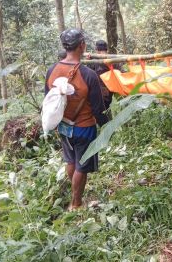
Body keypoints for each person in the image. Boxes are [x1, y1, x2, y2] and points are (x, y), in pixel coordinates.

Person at [45, 29, 108, 210]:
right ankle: (76, 203)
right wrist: (108, 126)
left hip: (63, 126)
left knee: (71, 160)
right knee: (82, 166)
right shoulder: (88, 75)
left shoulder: (52, 70)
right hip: (84, 127)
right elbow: (98, 108)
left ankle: (75, 198)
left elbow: (49, 100)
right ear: (82, 45)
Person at [87, 39, 118, 111]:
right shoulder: (114, 60)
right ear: (106, 49)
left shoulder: (94, 60)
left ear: (96, 49)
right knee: (105, 111)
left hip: (99, 93)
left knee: (100, 113)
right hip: (109, 91)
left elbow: (88, 73)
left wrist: (89, 61)